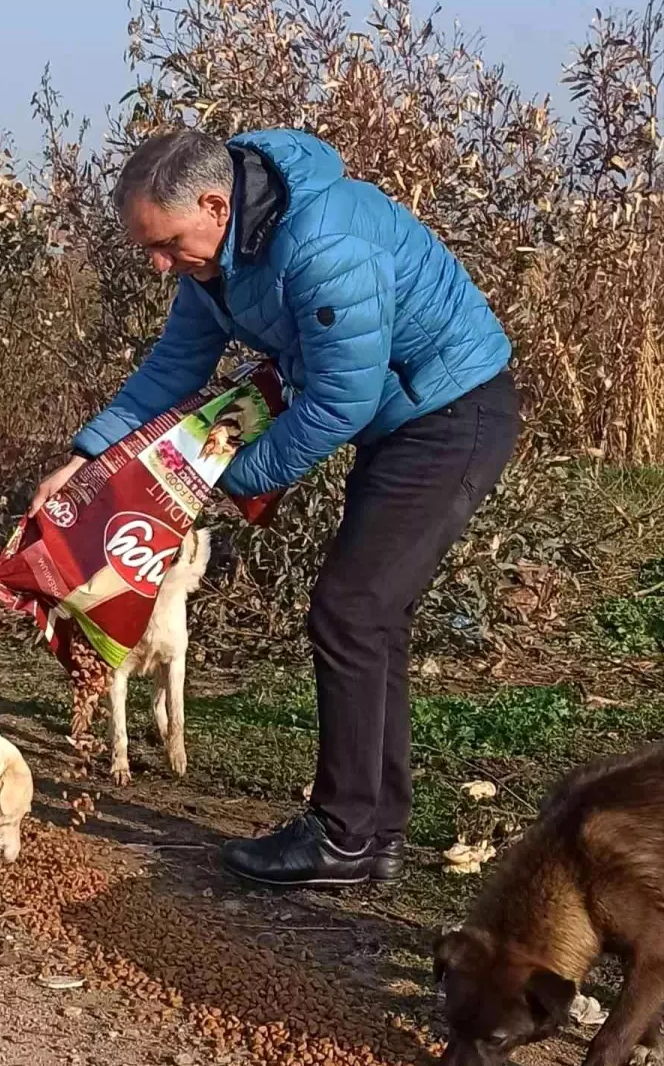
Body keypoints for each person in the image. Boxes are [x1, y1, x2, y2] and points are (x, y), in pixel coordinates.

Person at [31, 128, 520, 889]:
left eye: (165, 245)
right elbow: (173, 369)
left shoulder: (327, 244)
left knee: (352, 610)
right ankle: (371, 837)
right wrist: (87, 460)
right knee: (371, 614)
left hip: (453, 413)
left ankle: (344, 837)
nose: (161, 266)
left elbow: (340, 399)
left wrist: (223, 477)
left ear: (216, 205)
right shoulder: (216, 261)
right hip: (400, 419)